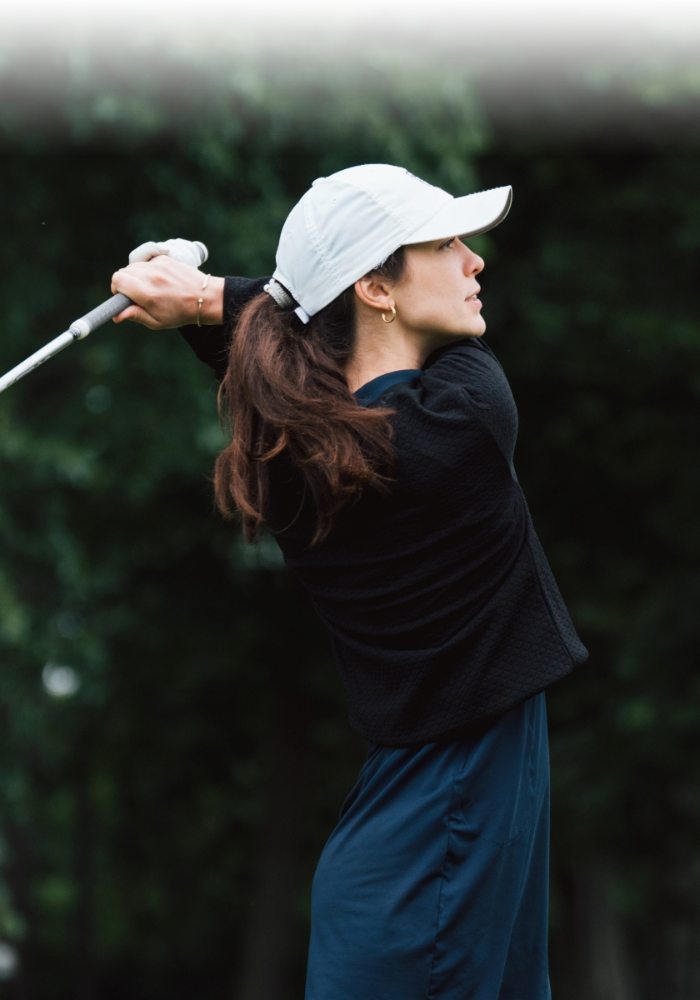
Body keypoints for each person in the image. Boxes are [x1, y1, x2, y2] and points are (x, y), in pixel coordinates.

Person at [111, 164, 588, 1000]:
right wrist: (205, 295)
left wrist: (203, 302)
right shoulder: (468, 413)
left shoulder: (291, 451)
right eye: (443, 244)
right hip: (454, 810)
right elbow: (274, 323)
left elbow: (283, 341)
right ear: (374, 286)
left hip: (418, 810)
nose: (476, 262)